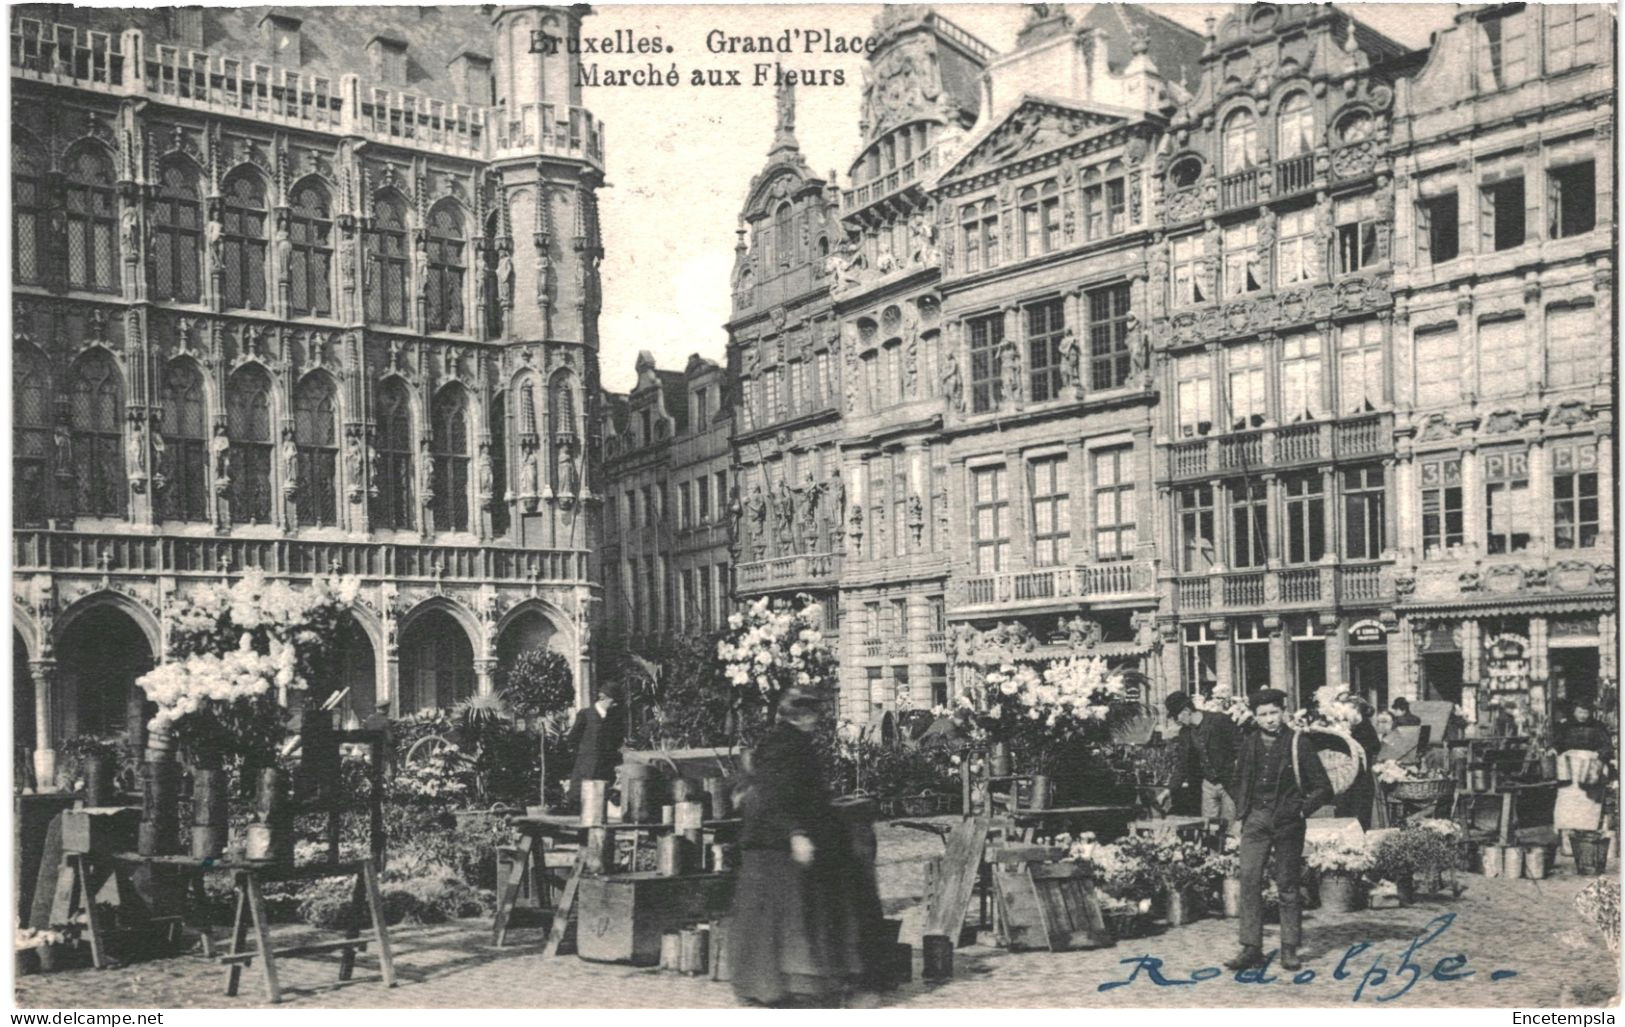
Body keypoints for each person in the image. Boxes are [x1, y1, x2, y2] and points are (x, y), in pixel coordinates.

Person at [730, 686, 862, 1007]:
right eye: (813, 714)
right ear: (800, 716)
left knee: (777, 915)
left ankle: (782, 984)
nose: (817, 720)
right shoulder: (786, 745)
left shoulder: (791, 742)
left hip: (774, 838)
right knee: (781, 916)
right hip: (774, 842)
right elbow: (776, 793)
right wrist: (796, 834)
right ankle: (782, 985)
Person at [1227, 688, 1335, 973]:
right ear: (1255, 717)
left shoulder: (1299, 743)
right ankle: (1251, 947)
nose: (1269, 720)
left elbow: (1324, 788)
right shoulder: (1249, 743)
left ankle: (1289, 948)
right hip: (1256, 821)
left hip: (1288, 823)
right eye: (1263, 715)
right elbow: (1238, 781)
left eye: (1274, 713)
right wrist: (1242, 813)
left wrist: (1300, 810)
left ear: (1283, 713)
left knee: (1287, 885)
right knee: (1249, 880)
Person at [1164, 691, 1238, 825]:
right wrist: (1168, 790)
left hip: (1229, 783)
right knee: (1209, 827)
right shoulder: (1185, 733)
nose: (1177, 721)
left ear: (1187, 710)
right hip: (1208, 785)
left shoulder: (1219, 720)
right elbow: (1182, 764)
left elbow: (1240, 749)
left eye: (1177, 716)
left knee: (1230, 826)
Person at [1554, 702, 1613, 847]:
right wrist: (1553, 750)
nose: (1582, 716)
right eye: (1580, 712)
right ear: (1574, 712)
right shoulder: (1565, 726)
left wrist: (1599, 756)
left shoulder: (1599, 726)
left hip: (1591, 768)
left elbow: (1607, 747)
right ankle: (1567, 838)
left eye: (1585, 712)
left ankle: (1588, 836)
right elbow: (1556, 744)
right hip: (1569, 770)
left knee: (1589, 802)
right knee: (1567, 802)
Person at [565, 681, 625, 808]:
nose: (615, 705)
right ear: (603, 698)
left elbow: (617, 740)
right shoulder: (586, 714)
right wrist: (584, 756)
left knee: (600, 798)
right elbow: (572, 739)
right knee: (582, 797)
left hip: (605, 766)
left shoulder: (614, 717)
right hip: (587, 766)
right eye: (612, 702)